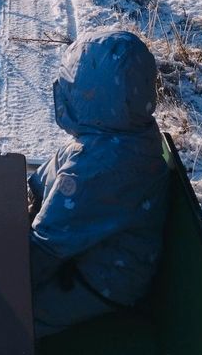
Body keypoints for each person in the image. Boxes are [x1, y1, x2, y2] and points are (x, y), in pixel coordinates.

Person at [28, 29, 170, 338]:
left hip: (101, 281)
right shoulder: (121, 131)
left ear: (94, 96)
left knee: (14, 316)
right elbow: (51, 177)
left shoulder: (101, 166)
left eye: (75, 83)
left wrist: (4, 285)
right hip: (92, 256)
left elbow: (46, 248)